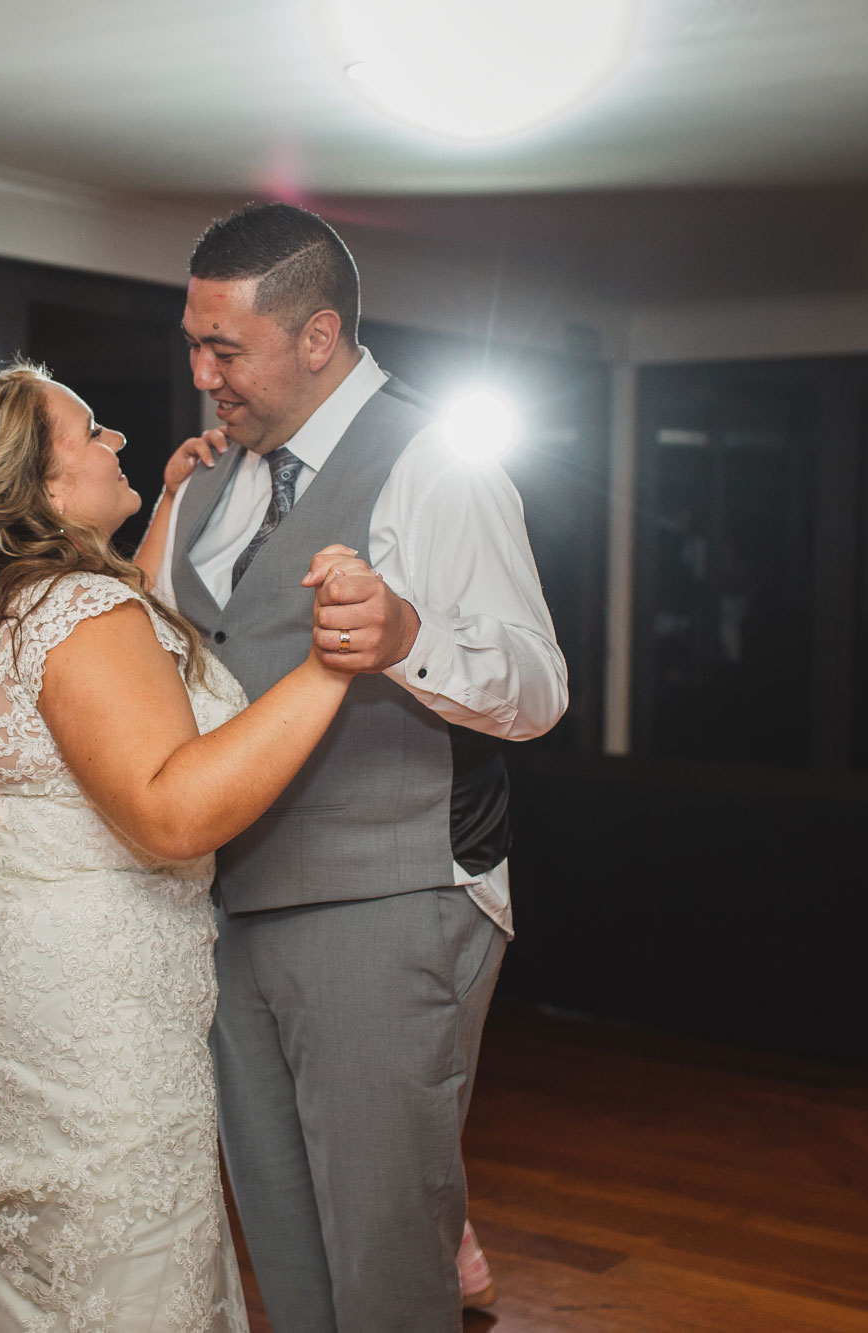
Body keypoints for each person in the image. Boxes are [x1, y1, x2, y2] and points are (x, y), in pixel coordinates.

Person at [0, 361, 361, 1332]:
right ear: (44, 487)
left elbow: (115, 625)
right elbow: (169, 813)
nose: (116, 440)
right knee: (111, 1265)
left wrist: (165, 499)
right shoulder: (83, 616)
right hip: (86, 1006)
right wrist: (332, 666)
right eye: (90, 432)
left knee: (6, 1256)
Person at [133, 202, 567, 1330]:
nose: (200, 372)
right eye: (193, 342)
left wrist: (406, 638)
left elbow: (536, 688)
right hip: (225, 912)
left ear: (315, 337)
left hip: (389, 900)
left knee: (384, 1259)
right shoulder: (212, 482)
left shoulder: (435, 463)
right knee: (283, 1241)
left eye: (222, 347)